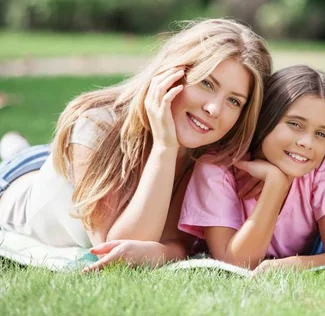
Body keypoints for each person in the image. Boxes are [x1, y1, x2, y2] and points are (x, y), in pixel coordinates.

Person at [0, 19, 272, 271]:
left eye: (234, 101)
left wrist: (160, 252)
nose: (214, 109)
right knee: (18, 156)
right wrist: (164, 147)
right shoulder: (97, 125)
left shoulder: (203, 158)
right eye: (206, 83)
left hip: (62, 167)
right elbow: (113, 244)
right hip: (19, 186)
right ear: (173, 73)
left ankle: (14, 145)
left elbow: (176, 244)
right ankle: (13, 148)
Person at [178, 65, 325, 273]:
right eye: (295, 124)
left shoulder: (321, 169)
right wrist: (275, 184)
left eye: (321, 134)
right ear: (265, 117)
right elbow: (236, 265)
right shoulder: (217, 167)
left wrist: (286, 266)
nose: (307, 142)